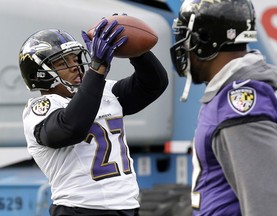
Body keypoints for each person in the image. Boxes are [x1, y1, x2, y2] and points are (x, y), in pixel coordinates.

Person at [19, 16, 168, 216]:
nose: (75, 66)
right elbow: (71, 128)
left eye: (75, 58)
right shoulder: (40, 109)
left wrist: (135, 48)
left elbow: (153, 84)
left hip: (127, 207)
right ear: (41, 74)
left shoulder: (103, 91)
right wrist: (96, 72)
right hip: (80, 209)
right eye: (62, 62)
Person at [170, 0, 277, 215]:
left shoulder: (240, 105)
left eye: (186, 37)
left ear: (204, 41)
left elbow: (268, 206)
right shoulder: (241, 92)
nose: (183, 46)